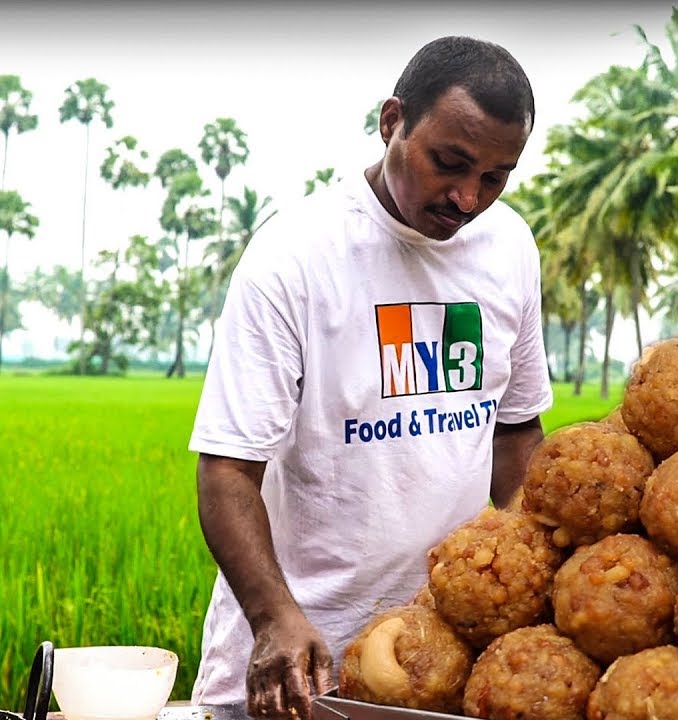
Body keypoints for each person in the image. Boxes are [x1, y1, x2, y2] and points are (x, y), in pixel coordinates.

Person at [187, 36, 552, 719]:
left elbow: (516, 432)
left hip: (443, 659)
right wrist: (274, 618)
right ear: (393, 122)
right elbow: (228, 470)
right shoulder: (295, 257)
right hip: (300, 667)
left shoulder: (510, 247)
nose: (469, 197)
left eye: (496, 176)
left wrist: (532, 573)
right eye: (450, 163)